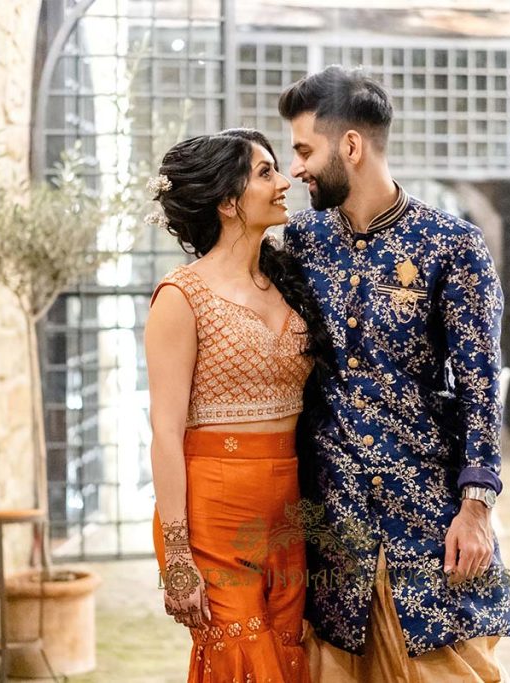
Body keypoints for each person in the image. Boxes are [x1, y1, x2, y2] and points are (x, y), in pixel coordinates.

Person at [278, 66, 510, 682]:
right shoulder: (301, 244)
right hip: (334, 519)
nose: (295, 168)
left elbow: (481, 384)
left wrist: (476, 509)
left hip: (429, 513)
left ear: (350, 146)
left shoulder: (451, 245)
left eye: (304, 150)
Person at [145, 128, 326, 682]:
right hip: (216, 512)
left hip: (288, 510)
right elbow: (165, 431)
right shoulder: (182, 297)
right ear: (227, 202)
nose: (284, 181)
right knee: (241, 661)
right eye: (266, 172)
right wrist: (177, 558)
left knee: (289, 657)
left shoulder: (288, 281)